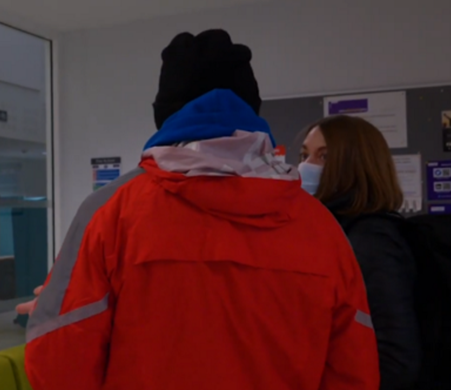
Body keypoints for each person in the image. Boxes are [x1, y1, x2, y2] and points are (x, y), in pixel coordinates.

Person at [24, 30, 379, 390]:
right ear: (251, 110)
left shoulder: (112, 210)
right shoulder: (321, 227)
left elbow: (57, 360)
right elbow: (354, 368)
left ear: (165, 115)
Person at [299, 115, 421, 390]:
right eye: (304, 155)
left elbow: (396, 360)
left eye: (324, 157)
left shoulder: (370, 240)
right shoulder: (335, 232)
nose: (306, 167)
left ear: (355, 166)